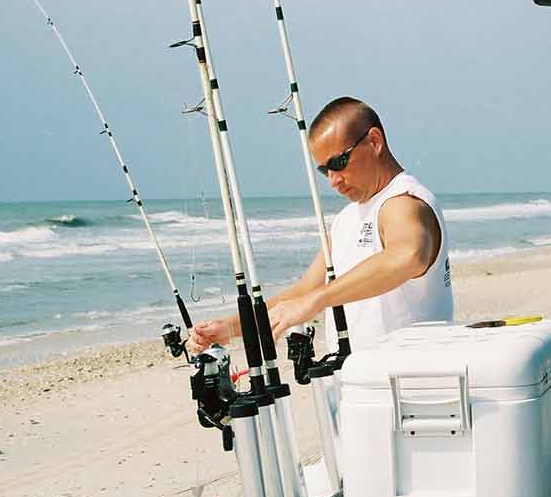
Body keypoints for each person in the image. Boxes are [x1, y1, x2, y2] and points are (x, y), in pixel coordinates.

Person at [188, 96, 453, 353]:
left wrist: (318, 300)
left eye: (339, 163)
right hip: (357, 387)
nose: (333, 180)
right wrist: (232, 327)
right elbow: (304, 292)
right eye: (325, 170)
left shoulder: (402, 201)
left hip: (410, 387)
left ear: (374, 141)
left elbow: (409, 256)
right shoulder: (345, 220)